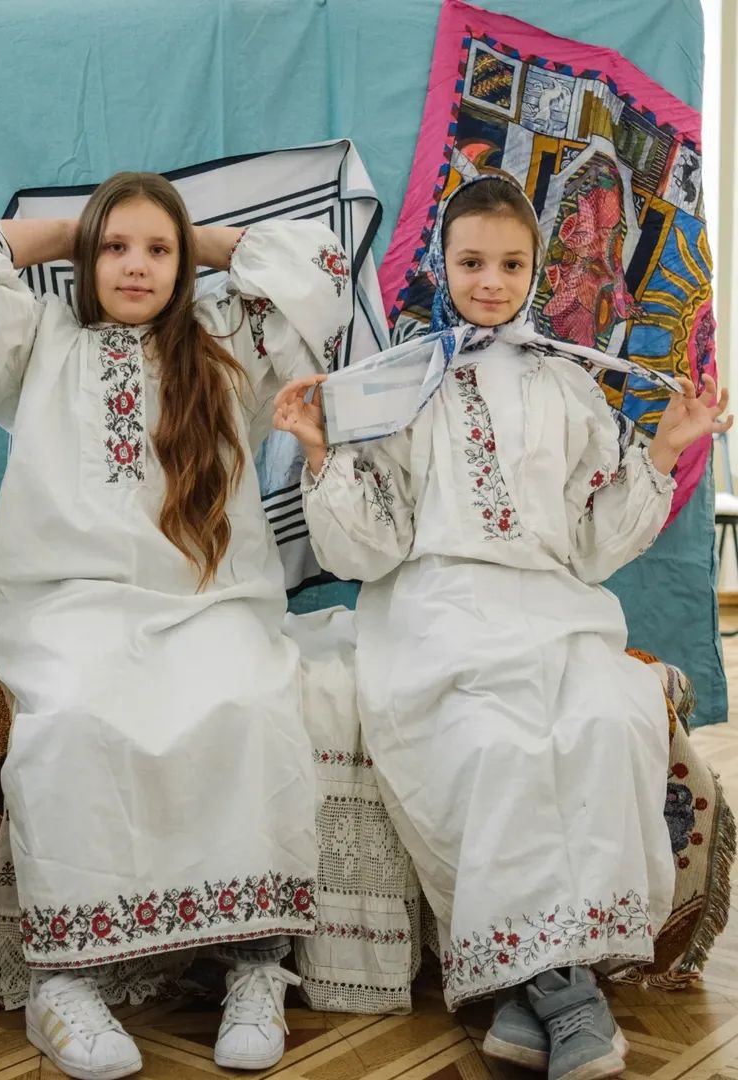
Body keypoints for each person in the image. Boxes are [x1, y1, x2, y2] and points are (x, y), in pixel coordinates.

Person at [274, 173, 732, 1080]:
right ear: (442, 264)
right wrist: (322, 451)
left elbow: (592, 547)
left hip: (554, 608)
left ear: (537, 270)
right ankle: (569, 997)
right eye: (472, 262)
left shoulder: (570, 386)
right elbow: (374, 547)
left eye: (511, 264)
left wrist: (666, 448)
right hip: (436, 607)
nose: (490, 281)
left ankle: (531, 995)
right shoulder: (401, 384)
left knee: (609, 720)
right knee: (494, 743)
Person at [0, 171, 353, 1078]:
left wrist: (188, 233)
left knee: (251, 705)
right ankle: (66, 982)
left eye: (156, 251)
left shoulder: (224, 342)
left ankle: (253, 963)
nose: (136, 265)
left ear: (184, 263)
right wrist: (79, 227)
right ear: (84, 259)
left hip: (208, 603)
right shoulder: (36, 339)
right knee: (72, 718)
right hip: (66, 606)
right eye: (115, 248)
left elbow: (322, 273)